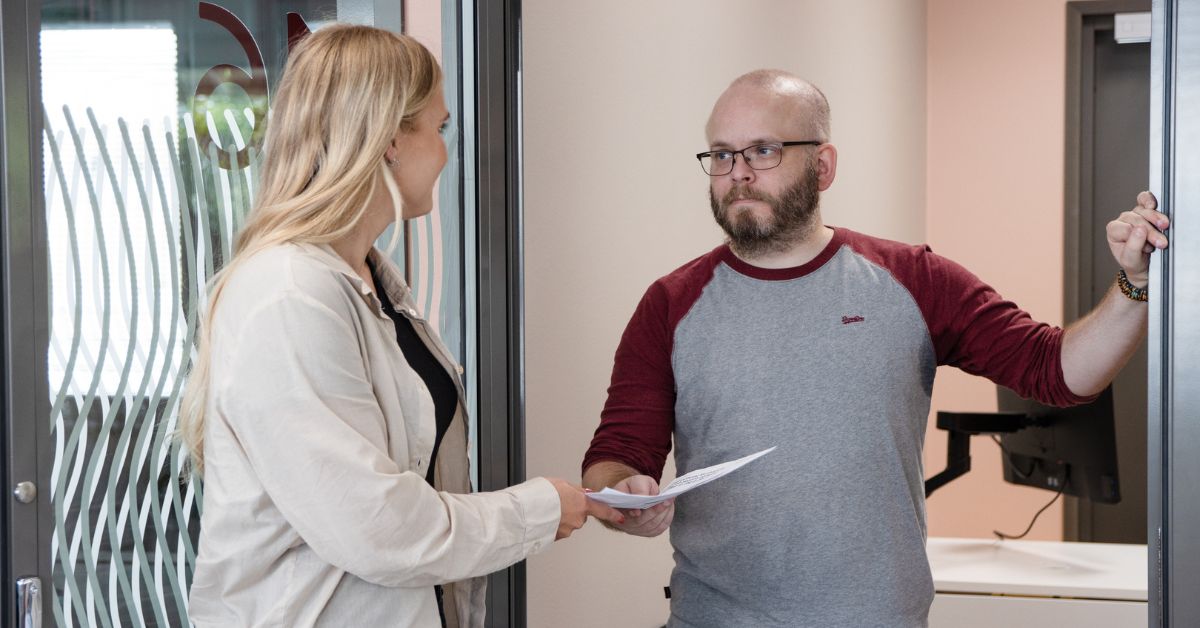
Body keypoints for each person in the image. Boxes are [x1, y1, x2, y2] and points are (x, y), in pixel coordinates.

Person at [581, 69, 1169, 627]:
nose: (738, 173)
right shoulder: (670, 303)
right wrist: (624, 494)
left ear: (823, 166)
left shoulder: (914, 279)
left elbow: (1057, 373)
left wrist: (1135, 285)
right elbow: (617, 454)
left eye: (763, 150)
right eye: (721, 154)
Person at [180, 25, 622, 628]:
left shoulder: (368, 285)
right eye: (440, 129)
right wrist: (539, 509)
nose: (445, 153)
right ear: (390, 139)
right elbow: (378, 527)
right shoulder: (288, 295)